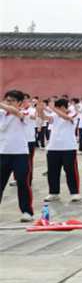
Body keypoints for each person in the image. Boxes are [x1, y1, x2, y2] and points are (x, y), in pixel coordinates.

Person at [0, 90, 34, 221]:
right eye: (7, 100)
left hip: (20, 154)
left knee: (23, 183)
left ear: (20, 102)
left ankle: (27, 211)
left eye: (12, 101)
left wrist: (3, 105)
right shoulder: (2, 114)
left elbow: (15, 112)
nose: (8, 103)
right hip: (3, 153)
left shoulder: (24, 113)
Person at [39, 98, 81, 202]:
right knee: (53, 171)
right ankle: (53, 192)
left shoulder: (73, 115)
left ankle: (75, 192)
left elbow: (66, 117)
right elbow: (44, 117)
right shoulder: (54, 116)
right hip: (53, 147)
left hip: (68, 147)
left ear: (62, 107)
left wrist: (53, 109)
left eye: (56, 108)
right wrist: (40, 110)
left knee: (70, 170)